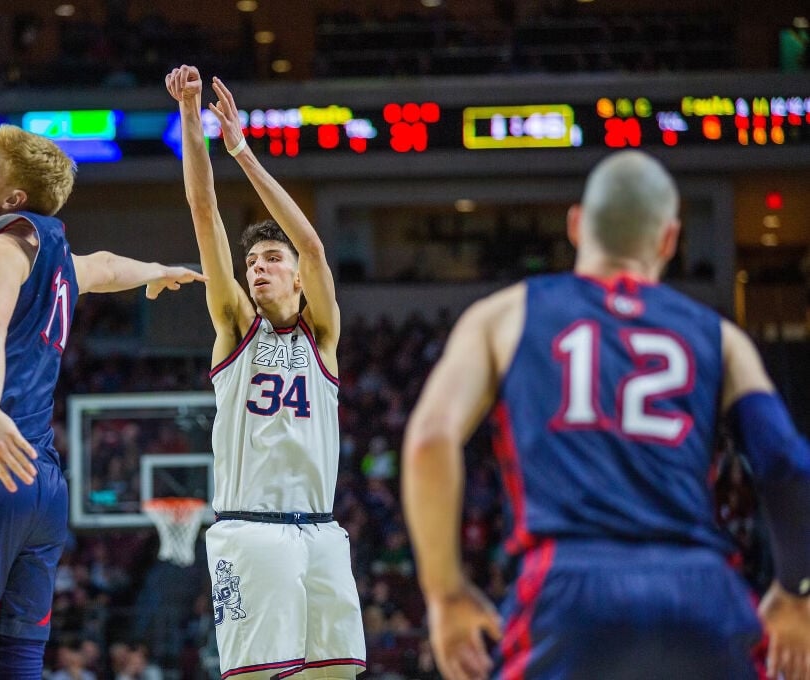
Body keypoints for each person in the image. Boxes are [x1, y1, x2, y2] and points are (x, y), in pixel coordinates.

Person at [402, 150, 810, 680]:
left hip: (568, 587)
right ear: (669, 239)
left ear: (576, 224)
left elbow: (430, 440)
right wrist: (794, 591)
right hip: (702, 596)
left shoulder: (503, 315)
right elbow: (787, 464)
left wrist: (445, 592)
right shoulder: (721, 336)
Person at [0, 124, 205, 679]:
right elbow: (108, 266)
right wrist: (156, 272)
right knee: (15, 660)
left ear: (14, 198)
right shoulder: (55, 254)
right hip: (41, 486)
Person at [166, 65, 366, 678]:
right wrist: (192, 116)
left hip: (323, 534)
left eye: (271, 259)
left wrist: (244, 152)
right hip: (252, 534)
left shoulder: (322, 336)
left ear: (298, 277)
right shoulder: (235, 325)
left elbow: (313, 246)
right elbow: (204, 212)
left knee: (335, 675)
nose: (258, 267)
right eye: (252, 260)